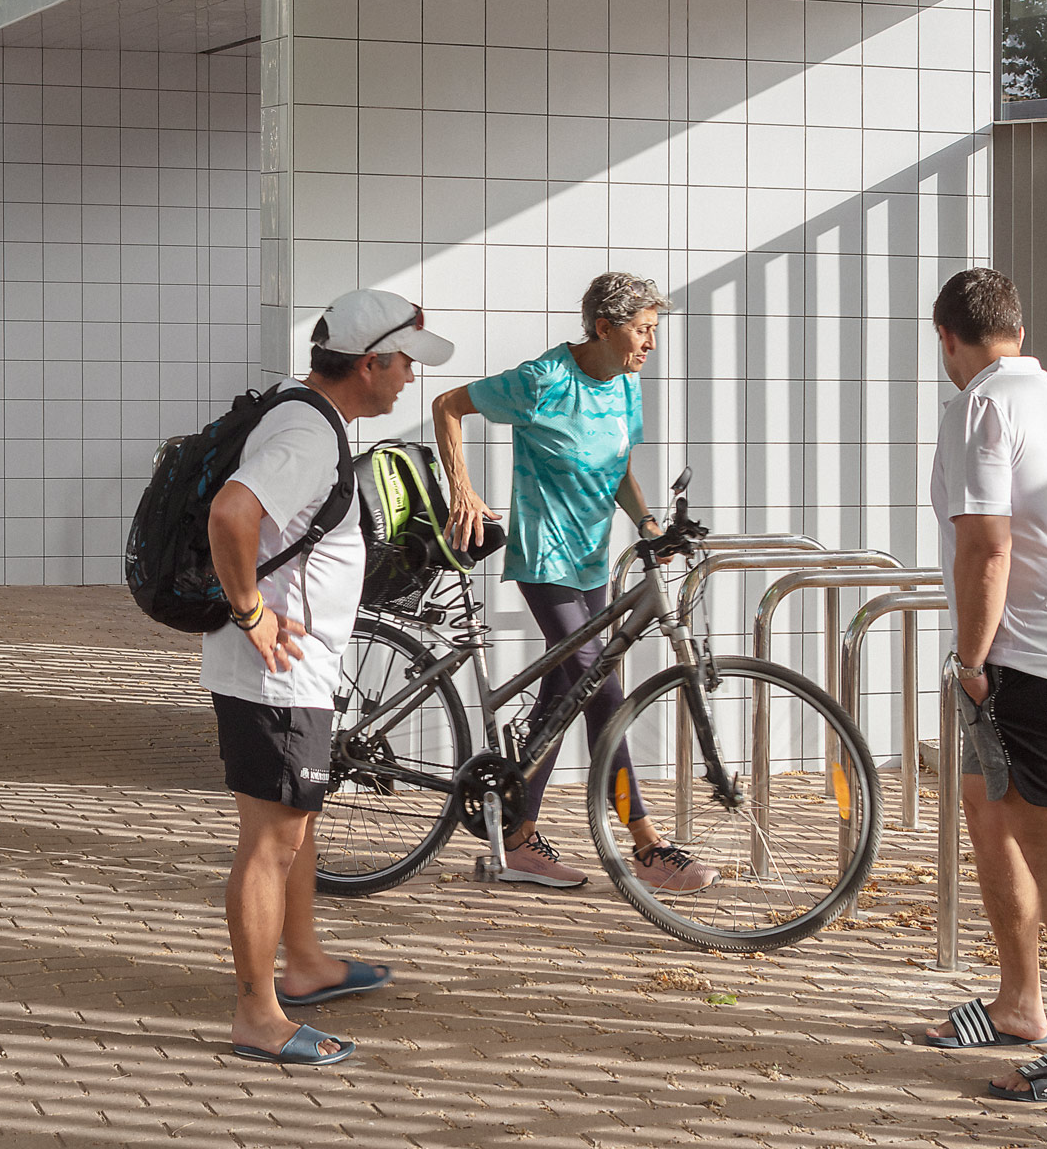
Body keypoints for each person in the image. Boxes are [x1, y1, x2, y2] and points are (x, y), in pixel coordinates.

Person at [205, 289, 455, 1067]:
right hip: (272, 674)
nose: (411, 377)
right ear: (370, 361)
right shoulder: (308, 436)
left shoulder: (306, 411)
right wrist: (253, 613)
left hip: (293, 672)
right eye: (406, 362)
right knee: (269, 841)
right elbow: (230, 512)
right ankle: (257, 1016)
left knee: (296, 827)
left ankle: (305, 962)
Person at [432, 269, 715, 893]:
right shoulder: (543, 381)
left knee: (564, 694)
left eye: (654, 332)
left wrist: (646, 523)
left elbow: (618, 469)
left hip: (591, 561)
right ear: (603, 327)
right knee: (601, 688)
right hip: (545, 559)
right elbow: (447, 406)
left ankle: (517, 837)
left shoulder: (624, 386)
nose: (651, 344)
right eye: (642, 331)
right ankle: (645, 843)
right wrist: (464, 488)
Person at [922, 268, 1047, 1107]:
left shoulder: (982, 406)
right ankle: (1018, 1003)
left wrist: (972, 659)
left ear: (946, 338)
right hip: (1044, 647)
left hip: (1024, 661)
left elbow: (986, 545)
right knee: (986, 810)